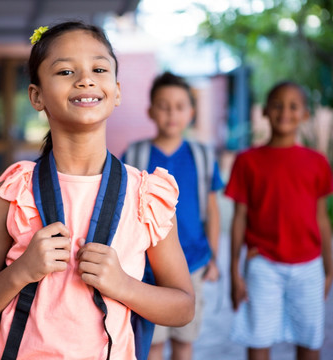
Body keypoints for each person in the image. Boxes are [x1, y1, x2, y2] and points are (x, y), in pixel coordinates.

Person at [0, 21, 195, 360]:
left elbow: (183, 307)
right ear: (36, 96)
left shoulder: (145, 196)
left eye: (99, 68)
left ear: (116, 90)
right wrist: (21, 272)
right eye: (66, 71)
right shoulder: (15, 191)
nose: (85, 79)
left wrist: (124, 285)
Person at [225, 81, 333, 360]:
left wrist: (330, 268)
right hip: (262, 265)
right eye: (277, 104)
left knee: (309, 339)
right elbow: (239, 219)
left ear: (305, 114)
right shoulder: (247, 161)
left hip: (309, 266)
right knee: (258, 337)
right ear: (264, 111)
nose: (284, 111)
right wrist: (235, 272)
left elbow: (322, 218)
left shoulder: (317, 162)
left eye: (293, 106)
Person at [122, 72, 224, 360]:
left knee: (184, 341)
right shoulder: (134, 155)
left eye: (180, 106)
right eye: (163, 105)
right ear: (151, 111)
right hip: (147, 268)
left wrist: (214, 259)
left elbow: (212, 211)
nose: (172, 113)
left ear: (191, 112)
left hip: (193, 263)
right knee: (152, 343)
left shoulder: (202, 155)